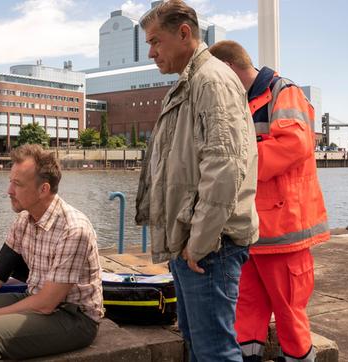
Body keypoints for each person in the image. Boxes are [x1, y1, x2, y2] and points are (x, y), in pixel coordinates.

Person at [134, 1, 259, 361]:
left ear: (184, 32)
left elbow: (225, 168)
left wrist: (199, 244)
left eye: (156, 41)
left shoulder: (211, 81)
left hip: (209, 249)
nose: (151, 52)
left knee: (215, 352)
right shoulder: (191, 82)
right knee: (199, 344)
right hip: (192, 244)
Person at [209, 40, 329, 362]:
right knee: (245, 312)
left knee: (289, 316)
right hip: (250, 232)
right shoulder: (243, 101)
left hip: (283, 233)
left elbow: (293, 145)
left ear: (229, 69)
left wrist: (233, 162)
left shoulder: (283, 91)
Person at [0, 144, 103, 361]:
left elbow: (47, 303)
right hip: (35, 298)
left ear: (43, 189)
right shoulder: (24, 219)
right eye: (10, 182)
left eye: (17, 184)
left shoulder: (74, 229)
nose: (9, 191)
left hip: (73, 317)